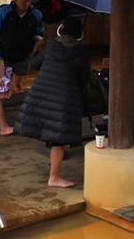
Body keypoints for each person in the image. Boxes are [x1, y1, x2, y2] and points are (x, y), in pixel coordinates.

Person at [14, 19, 89, 187]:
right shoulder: (79, 52)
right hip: (65, 98)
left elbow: (33, 65)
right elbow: (85, 77)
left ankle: (54, 176)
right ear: (79, 35)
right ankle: (54, 177)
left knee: (51, 132)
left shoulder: (51, 46)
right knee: (58, 140)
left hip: (41, 94)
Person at [0, 0, 45, 134]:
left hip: (23, 54)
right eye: (24, 1)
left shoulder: (35, 15)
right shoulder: (4, 12)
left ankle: (16, 92)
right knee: (2, 83)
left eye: (29, 0)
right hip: (4, 53)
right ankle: (4, 103)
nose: (27, 4)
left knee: (19, 78)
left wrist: (33, 50)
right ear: (16, 0)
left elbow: (39, 33)